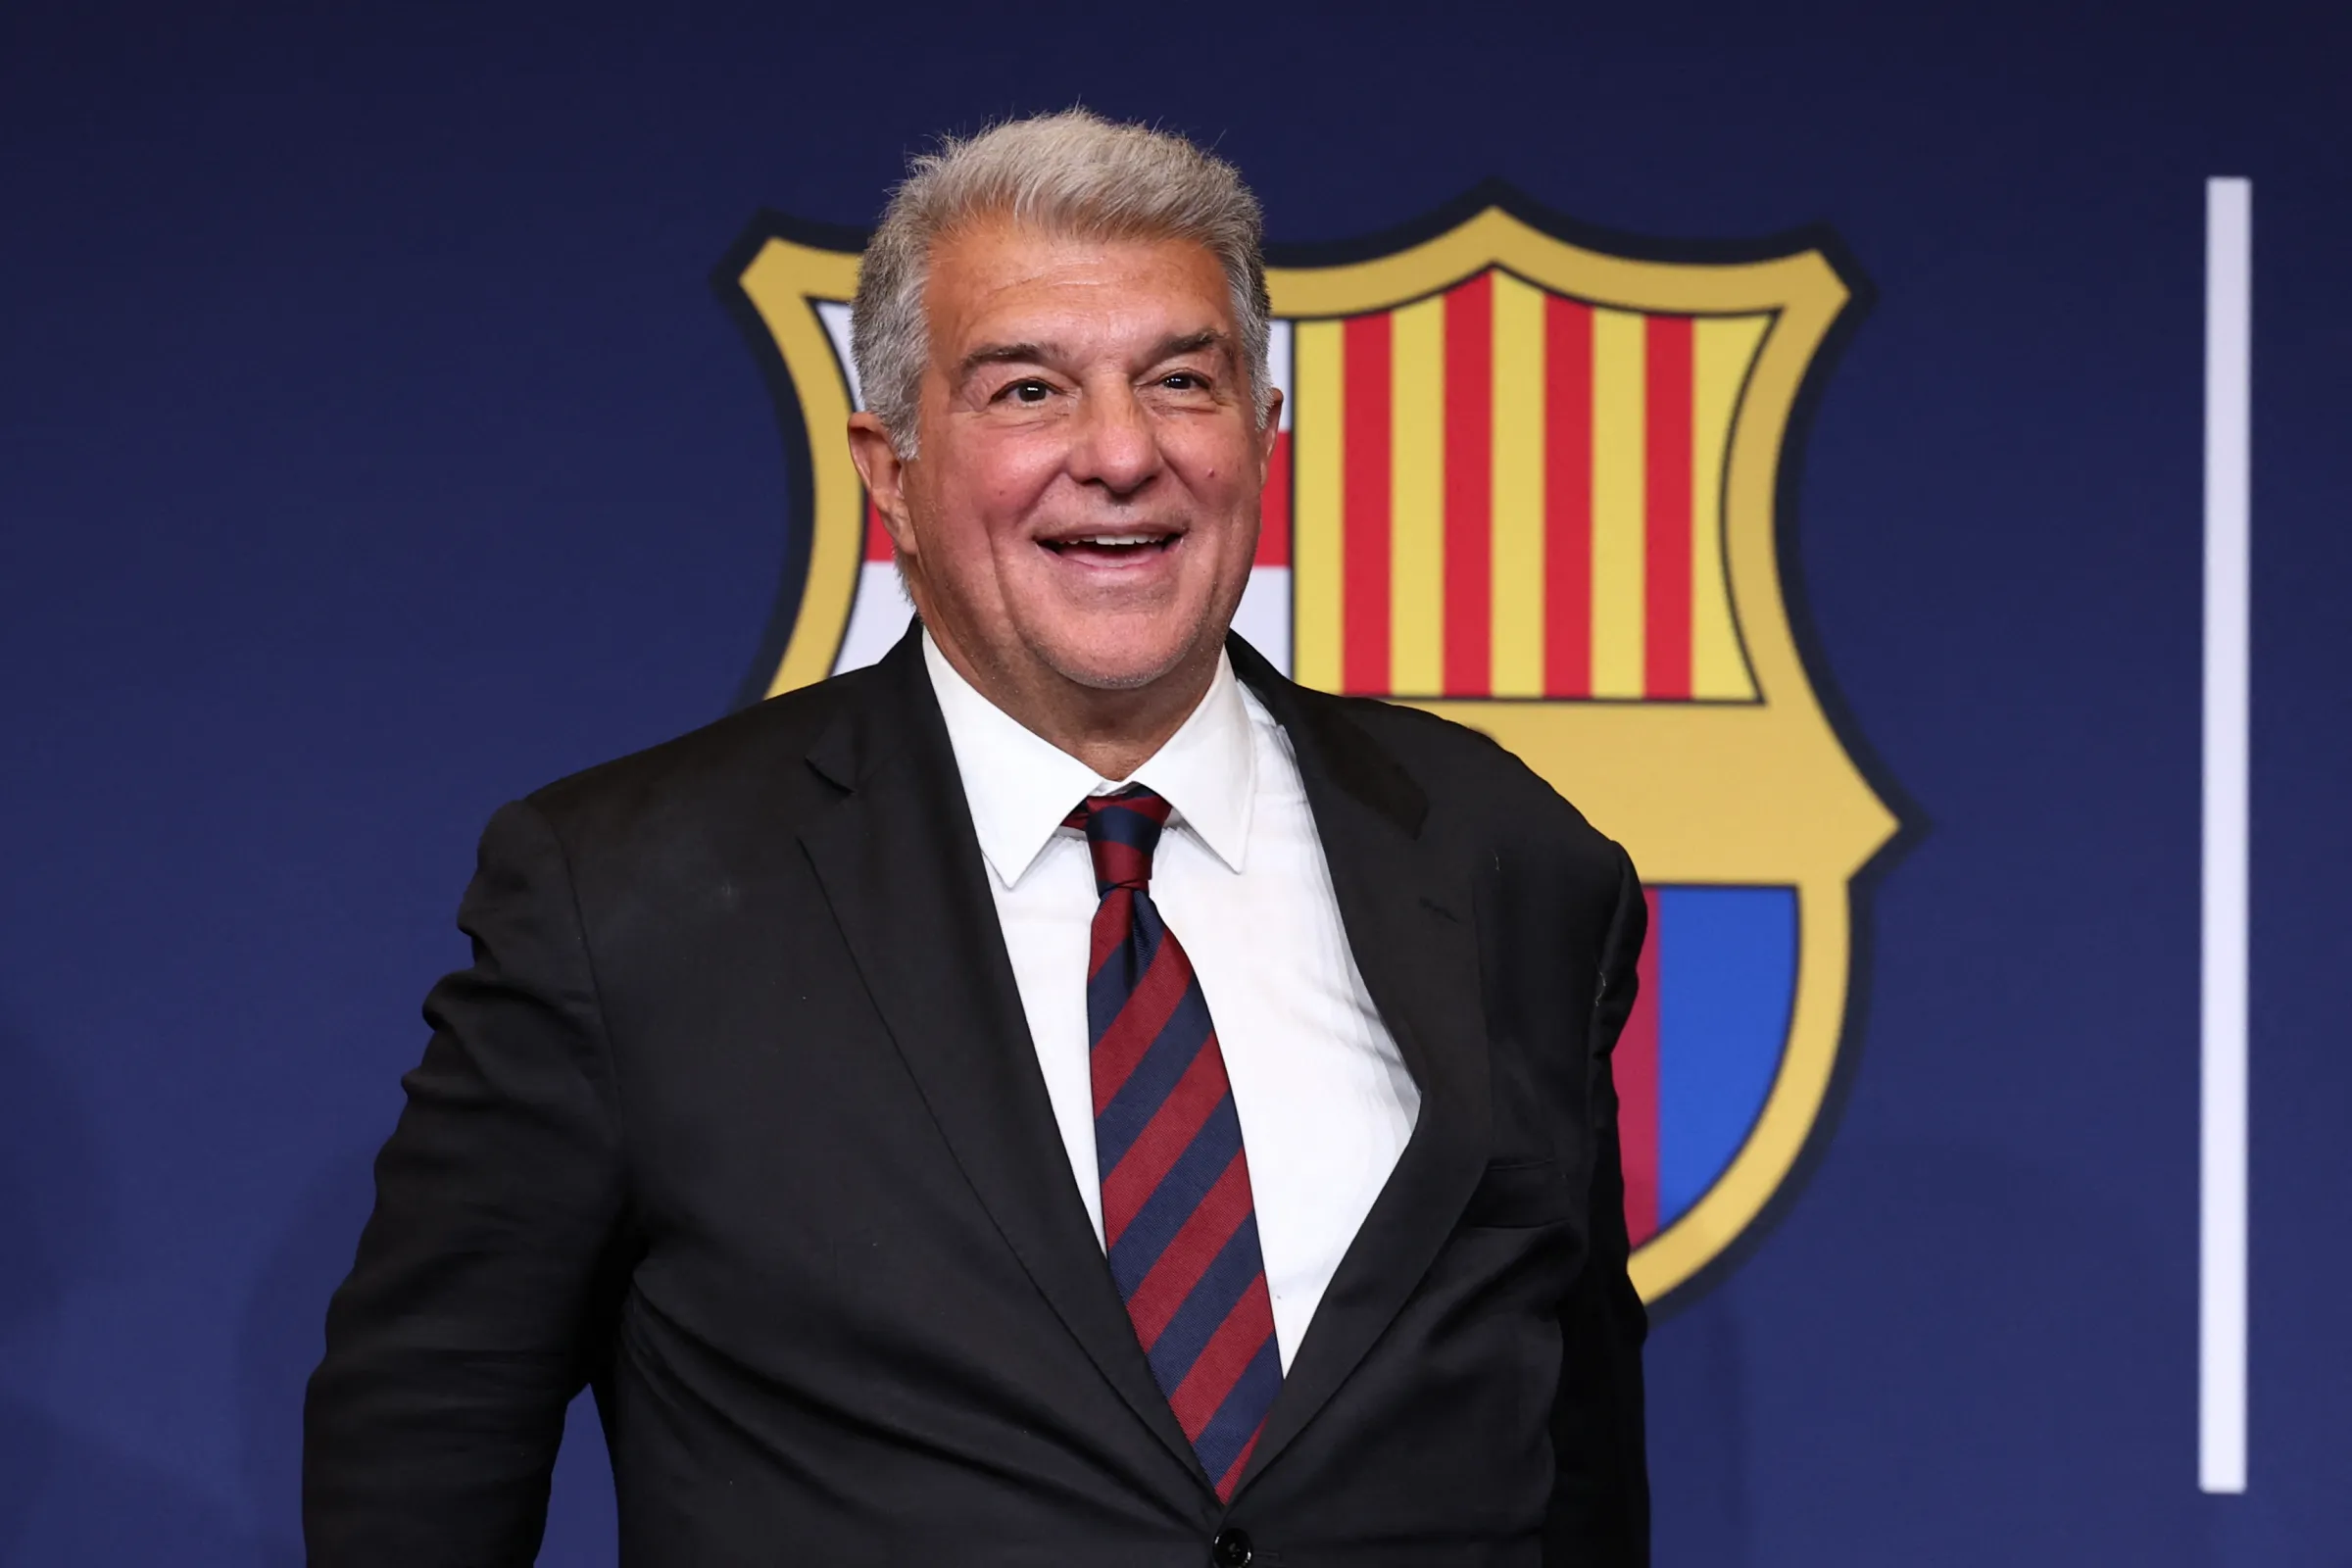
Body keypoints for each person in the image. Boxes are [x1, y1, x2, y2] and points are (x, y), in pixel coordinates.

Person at [304, 109, 1650, 1566]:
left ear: (1261, 437)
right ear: (888, 469)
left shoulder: (1503, 853)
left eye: (1181, 380)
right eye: (1028, 390)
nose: (1121, 453)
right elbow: (427, 1440)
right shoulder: (622, 894)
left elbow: (1571, 1451)